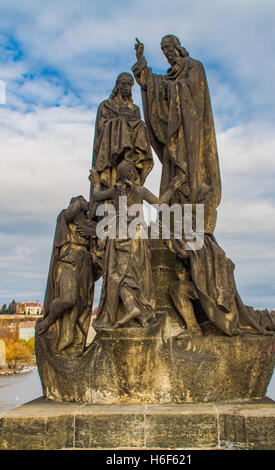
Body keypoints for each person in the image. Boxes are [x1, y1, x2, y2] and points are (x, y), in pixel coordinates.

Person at [132, 35, 221, 233]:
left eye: (168, 48)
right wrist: (141, 61)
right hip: (173, 136)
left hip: (189, 132)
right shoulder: (170, 74)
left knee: (188, 173)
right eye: (163, 50)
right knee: (171, 172)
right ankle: (170, 213)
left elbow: (194, 94)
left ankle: (187, 207)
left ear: (177, 47)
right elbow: (152, 84)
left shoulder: (194, 66)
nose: (167, 53)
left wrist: (172, 88)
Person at [90, 160, 182, 329]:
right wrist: (171, 189)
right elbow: (161, 204)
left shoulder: (115, 191)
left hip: (118, 235)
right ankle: (133, 307)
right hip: (136, 236)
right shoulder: (140, 191)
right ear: (132, 174)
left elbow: (96, 196)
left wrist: (95, 181)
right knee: (131, 275)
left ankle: (131, 307)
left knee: (117, 275)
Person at [36, 196, 97, 356]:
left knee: (81, 305)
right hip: (67, 264)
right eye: (82, 201)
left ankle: (68, 340)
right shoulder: (65, 218)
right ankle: (48, 321)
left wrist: (94, 230)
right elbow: (73, 210)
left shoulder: (90, 224)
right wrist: (81, 203)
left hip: (84, 266)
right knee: (68, 299)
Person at [91, 72, 153, 194]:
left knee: (141, 125)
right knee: (121, 122)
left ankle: (134, 157)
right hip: (110, 152)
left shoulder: (134, 109)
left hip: (129, 161)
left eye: (130, 85)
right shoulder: (106, 106)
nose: (127, 88)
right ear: (118, 85)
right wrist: (119, 124)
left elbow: (137, 127)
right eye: (124, 84)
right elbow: (101, 129)